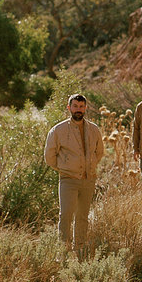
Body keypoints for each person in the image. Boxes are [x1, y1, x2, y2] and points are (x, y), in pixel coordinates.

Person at [44, 94, 105, 258]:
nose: (78, 110)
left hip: (88, 179)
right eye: (75, 106)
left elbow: (99, 152)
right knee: (66, 216)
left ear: (85, 108)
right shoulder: (58, 130)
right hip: (68, 180)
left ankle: (80, 251)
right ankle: (63, 253)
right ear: (69, 107)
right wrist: (65, 168)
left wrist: (90, 166)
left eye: (81, 106)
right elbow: (49, 156)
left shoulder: (93, 129)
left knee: (83, 217)